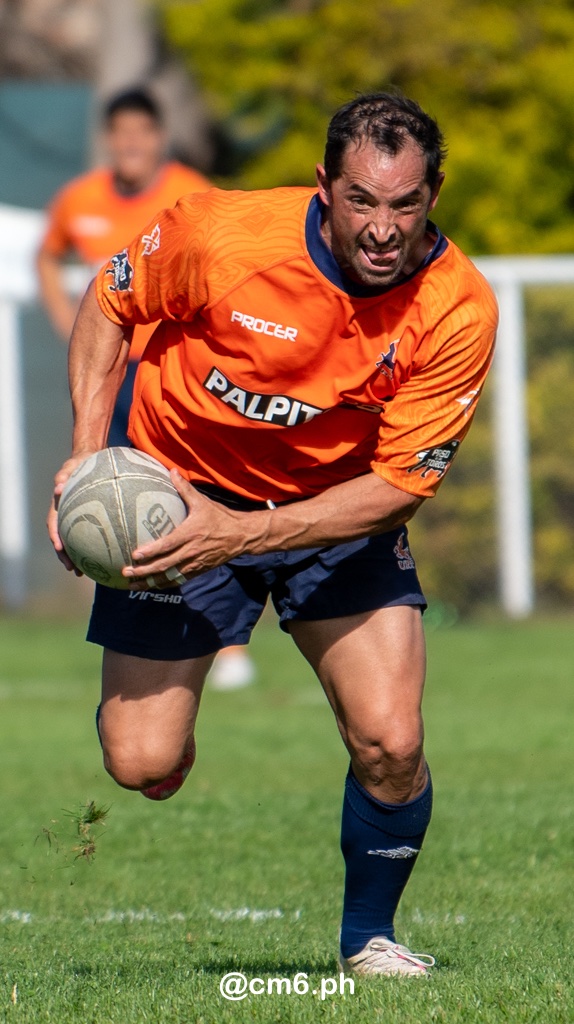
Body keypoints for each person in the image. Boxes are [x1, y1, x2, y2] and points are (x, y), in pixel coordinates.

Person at [48, 92, 498, 976]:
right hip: (178, 492)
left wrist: (243, 538)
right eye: (363, 199)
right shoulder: (221, 236)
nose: (382, 227)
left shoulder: (457, 309)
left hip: (338, 509)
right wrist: (86, 460)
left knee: (392, 741)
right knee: (141, 763)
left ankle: (369, 938)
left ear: (434, 193)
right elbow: (108, 303)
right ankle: (156, 718)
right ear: (325, 184)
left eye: (405, 204)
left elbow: (400, 487)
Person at [38, 86, 255, 690]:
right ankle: (135, 638)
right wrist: (66, 320)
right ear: (108, 140)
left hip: (173, 379)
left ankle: (227, 645)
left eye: (142, 133)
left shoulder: (190, 193)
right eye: (120, 133)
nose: (131, 144)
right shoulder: (78, 200)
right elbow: (48, 257)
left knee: (189, 499)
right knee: (106, 499)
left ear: (159, 138)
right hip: (106, 377)